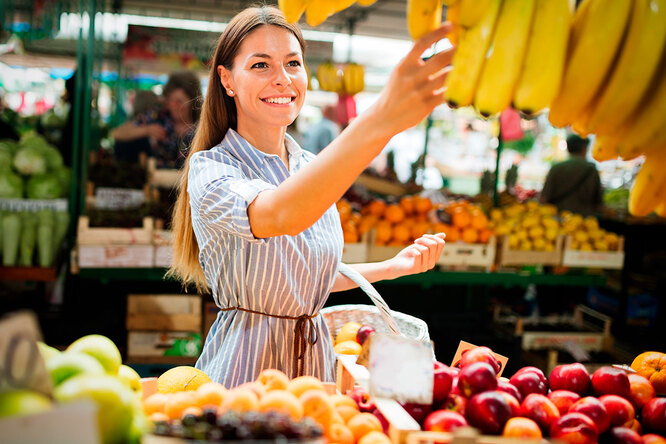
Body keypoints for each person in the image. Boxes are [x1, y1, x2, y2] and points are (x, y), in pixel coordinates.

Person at [168, 6, 454, 388]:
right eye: (260, 66)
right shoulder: (212, 169)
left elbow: (303, 274)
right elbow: (279, 215)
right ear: (227, 79)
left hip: (316, 369)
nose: (283, 79)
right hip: (246, 370)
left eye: (292, 63)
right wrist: (379, 120)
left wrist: (391, 267)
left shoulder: (310, 166)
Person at [111, 71, 202, 168]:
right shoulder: (158, 116)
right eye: (170, 100)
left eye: (179, 101)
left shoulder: (204, 124)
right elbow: (117, 133)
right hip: (157, 179)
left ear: (193, 102)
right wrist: (146, 130)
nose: (173, 106)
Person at [540, 134, 603, 216]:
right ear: (584, 148)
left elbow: (544, 197)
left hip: (557, 220)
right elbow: (598, 203)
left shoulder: (556, 168)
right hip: (584, 222)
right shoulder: (591, 170)